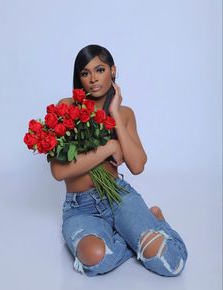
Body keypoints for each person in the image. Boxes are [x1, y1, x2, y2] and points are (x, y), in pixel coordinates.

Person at [50, 44, 188, 277]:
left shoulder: (124, 114)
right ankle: (137, 235)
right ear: (79, 78)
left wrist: (114, 111)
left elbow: (137, 166)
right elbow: (59, 171)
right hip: (80, 208)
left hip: (117, 196)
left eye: (100, 70)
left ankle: (157, 224)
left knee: (170, 263)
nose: (93, 79)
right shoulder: (67, 107)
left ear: (113, 71)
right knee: (94, 258)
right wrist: (110, 147)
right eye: (85, 73)